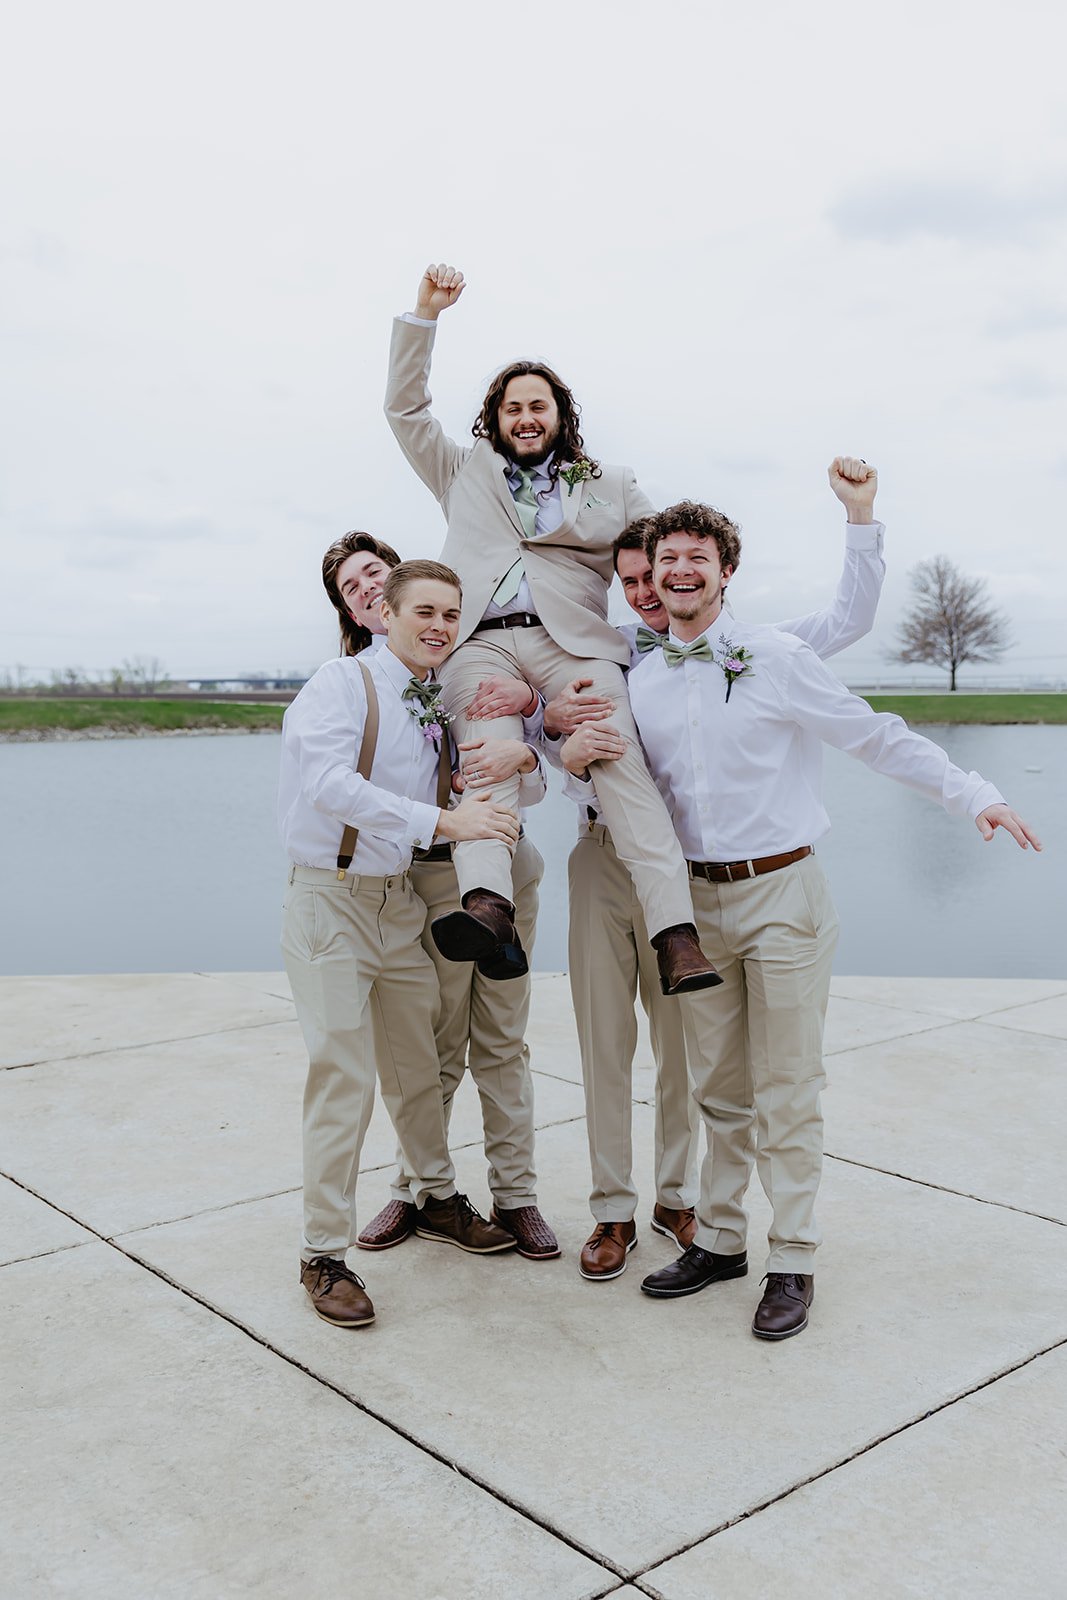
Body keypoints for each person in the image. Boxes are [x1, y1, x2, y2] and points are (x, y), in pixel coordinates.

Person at [620, 493, 1040, 1339]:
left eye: (698, 556)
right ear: (652, 577)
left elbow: (872, 735)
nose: (681, 570)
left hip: (783, 894)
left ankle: (794, 1257)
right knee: (719, 1090)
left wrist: (973, 794)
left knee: (787, 1087)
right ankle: (721, 1241)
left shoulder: (775, 657)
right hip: (692, 907)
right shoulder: (643, 678)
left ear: (726, 572)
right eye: (668, 559)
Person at [550, 461, 890, 1279]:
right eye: (634, 578)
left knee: (702, 1059)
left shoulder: (747, 648)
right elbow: (546, 735)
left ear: (717, 573)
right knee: (630, 1048)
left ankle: (696, 1208)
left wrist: (859, 519)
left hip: (695, 874)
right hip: (613, 859)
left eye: (656, 572)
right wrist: (551, 728)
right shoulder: (608, 657)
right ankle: (637, 1216)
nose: (646, 589)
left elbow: (847, 619)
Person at [385, 261, 718, 997]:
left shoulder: (611, 484)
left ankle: (675, 934)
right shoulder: (460, 470)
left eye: (538, 405)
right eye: (512, 408)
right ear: (494, 420)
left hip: (575, 647)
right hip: (479, 644)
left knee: (617, 760)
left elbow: (662, 553)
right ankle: (487, 903)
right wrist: (425, 315)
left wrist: (685, 615)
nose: (526, 418)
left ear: (560, 415)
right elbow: (405, 411)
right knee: (486, 759)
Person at [279, 559, 525, 1329]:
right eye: (424, 611)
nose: (439, 626)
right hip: (330, 900)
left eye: (450, 614)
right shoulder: (340, 683)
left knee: (418, 1064)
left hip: (397, 905)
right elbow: (328, 783)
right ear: (383, 614)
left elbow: (484, 778)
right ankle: (322, 1254)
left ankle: (435, 1196)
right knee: (343, 1078)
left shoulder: (433, 697)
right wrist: (443, 821)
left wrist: (521, 750)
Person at [315, 531, 561, 1259]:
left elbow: (537, 779)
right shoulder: (356, 688)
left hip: (508, 868)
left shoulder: (472, 662)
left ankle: (517, 1196)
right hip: (427, 881)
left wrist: (527, 750)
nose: (366, 587)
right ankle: (418, 1189)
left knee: (503, 1040)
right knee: (433, 1044)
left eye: (373, 572)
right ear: (360, 613)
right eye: (352, 587)